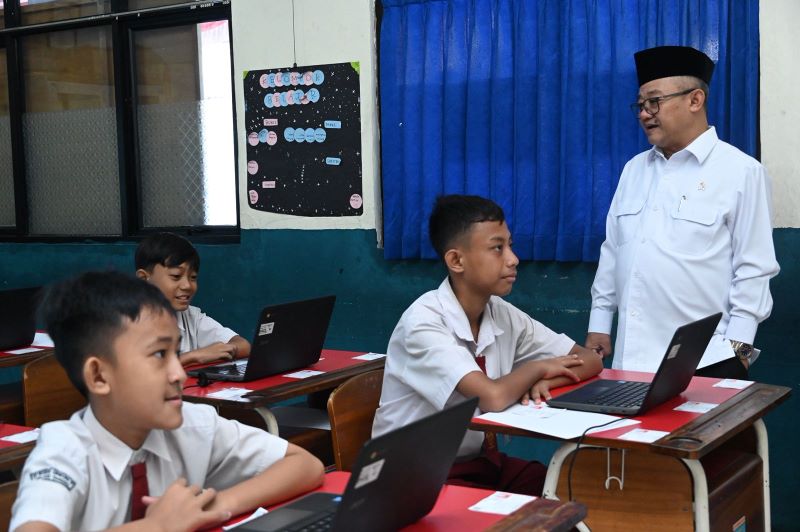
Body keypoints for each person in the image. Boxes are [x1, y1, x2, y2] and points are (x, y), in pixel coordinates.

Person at [10, 271, 324, 532]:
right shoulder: (62, 451)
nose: (179, 374)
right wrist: (158, 527)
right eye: (159, 355)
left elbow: (305, 466)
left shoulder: (192, 423)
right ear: (99, 376)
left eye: (176, 352)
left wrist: (215, 506)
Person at [372, 195, 603, 496]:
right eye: (497, 248)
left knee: (569, 489)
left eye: (510, 245)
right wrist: (536, 368)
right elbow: (492, 398)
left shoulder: (500, 313)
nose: (513, 259)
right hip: (411, 478)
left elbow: (591, 360)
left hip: (474, 463)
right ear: (456, 260)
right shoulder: (423, 323)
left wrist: (546, 379)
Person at [586, 45, 780, 379]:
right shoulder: (634, 170)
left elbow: (755, 268)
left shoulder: (741, 171)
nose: (645, 113)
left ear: (694, 100)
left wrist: (740, 351)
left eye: (655, 102)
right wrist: (600, 322)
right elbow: (613, 251)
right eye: (641, 105)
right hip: (630, 361)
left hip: (708, 361)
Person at [135, 232, 251, 366]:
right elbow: (135, 372)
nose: (187, 286)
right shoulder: (125, 323)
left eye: (193, 277)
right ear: (144, 279)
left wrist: (221, 350)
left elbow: (243, 346)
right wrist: (194, 356)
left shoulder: (190, 316)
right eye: (176, 276)